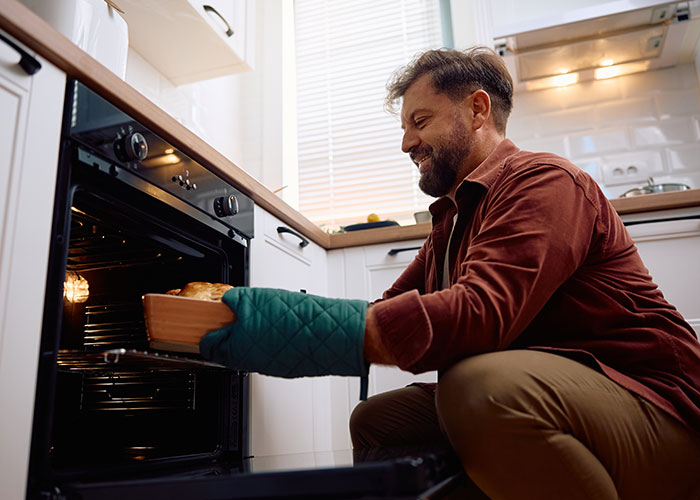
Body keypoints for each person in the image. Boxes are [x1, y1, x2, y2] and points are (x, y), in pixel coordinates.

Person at [201, 47, 700, 499]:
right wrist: (245, 313)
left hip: (661, 409)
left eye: (420, 121)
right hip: (575, 398)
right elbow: (383, 315)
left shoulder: (545, 181)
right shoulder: (451, 222)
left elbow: (480, 315)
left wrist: (277, 327)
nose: (406, 143)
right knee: (379, 420)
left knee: (476, 387)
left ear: (478, 110)